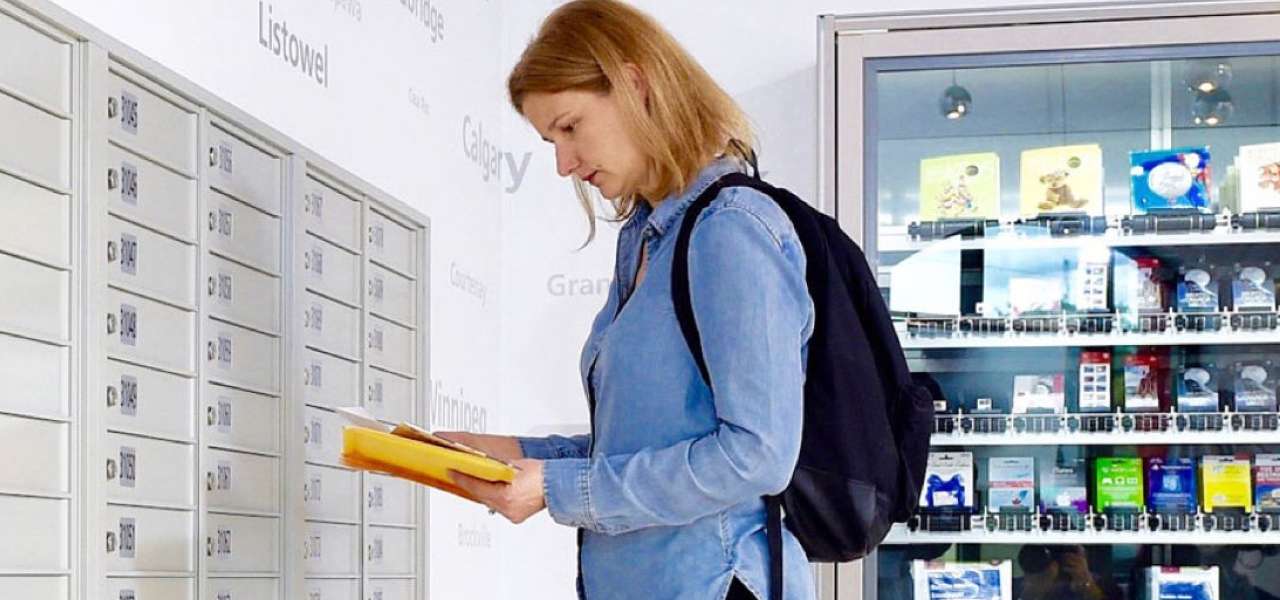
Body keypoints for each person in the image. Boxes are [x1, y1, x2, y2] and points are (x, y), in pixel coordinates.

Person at [438, 1, 815, 598]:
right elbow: (646, 445)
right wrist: (513, 456)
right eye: (549, 140)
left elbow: (756, 456)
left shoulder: (731, 228)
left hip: (714, 585)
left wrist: (558, 489)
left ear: (635, 85)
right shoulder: (644, 239)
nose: (563, 163)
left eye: (570, 126)